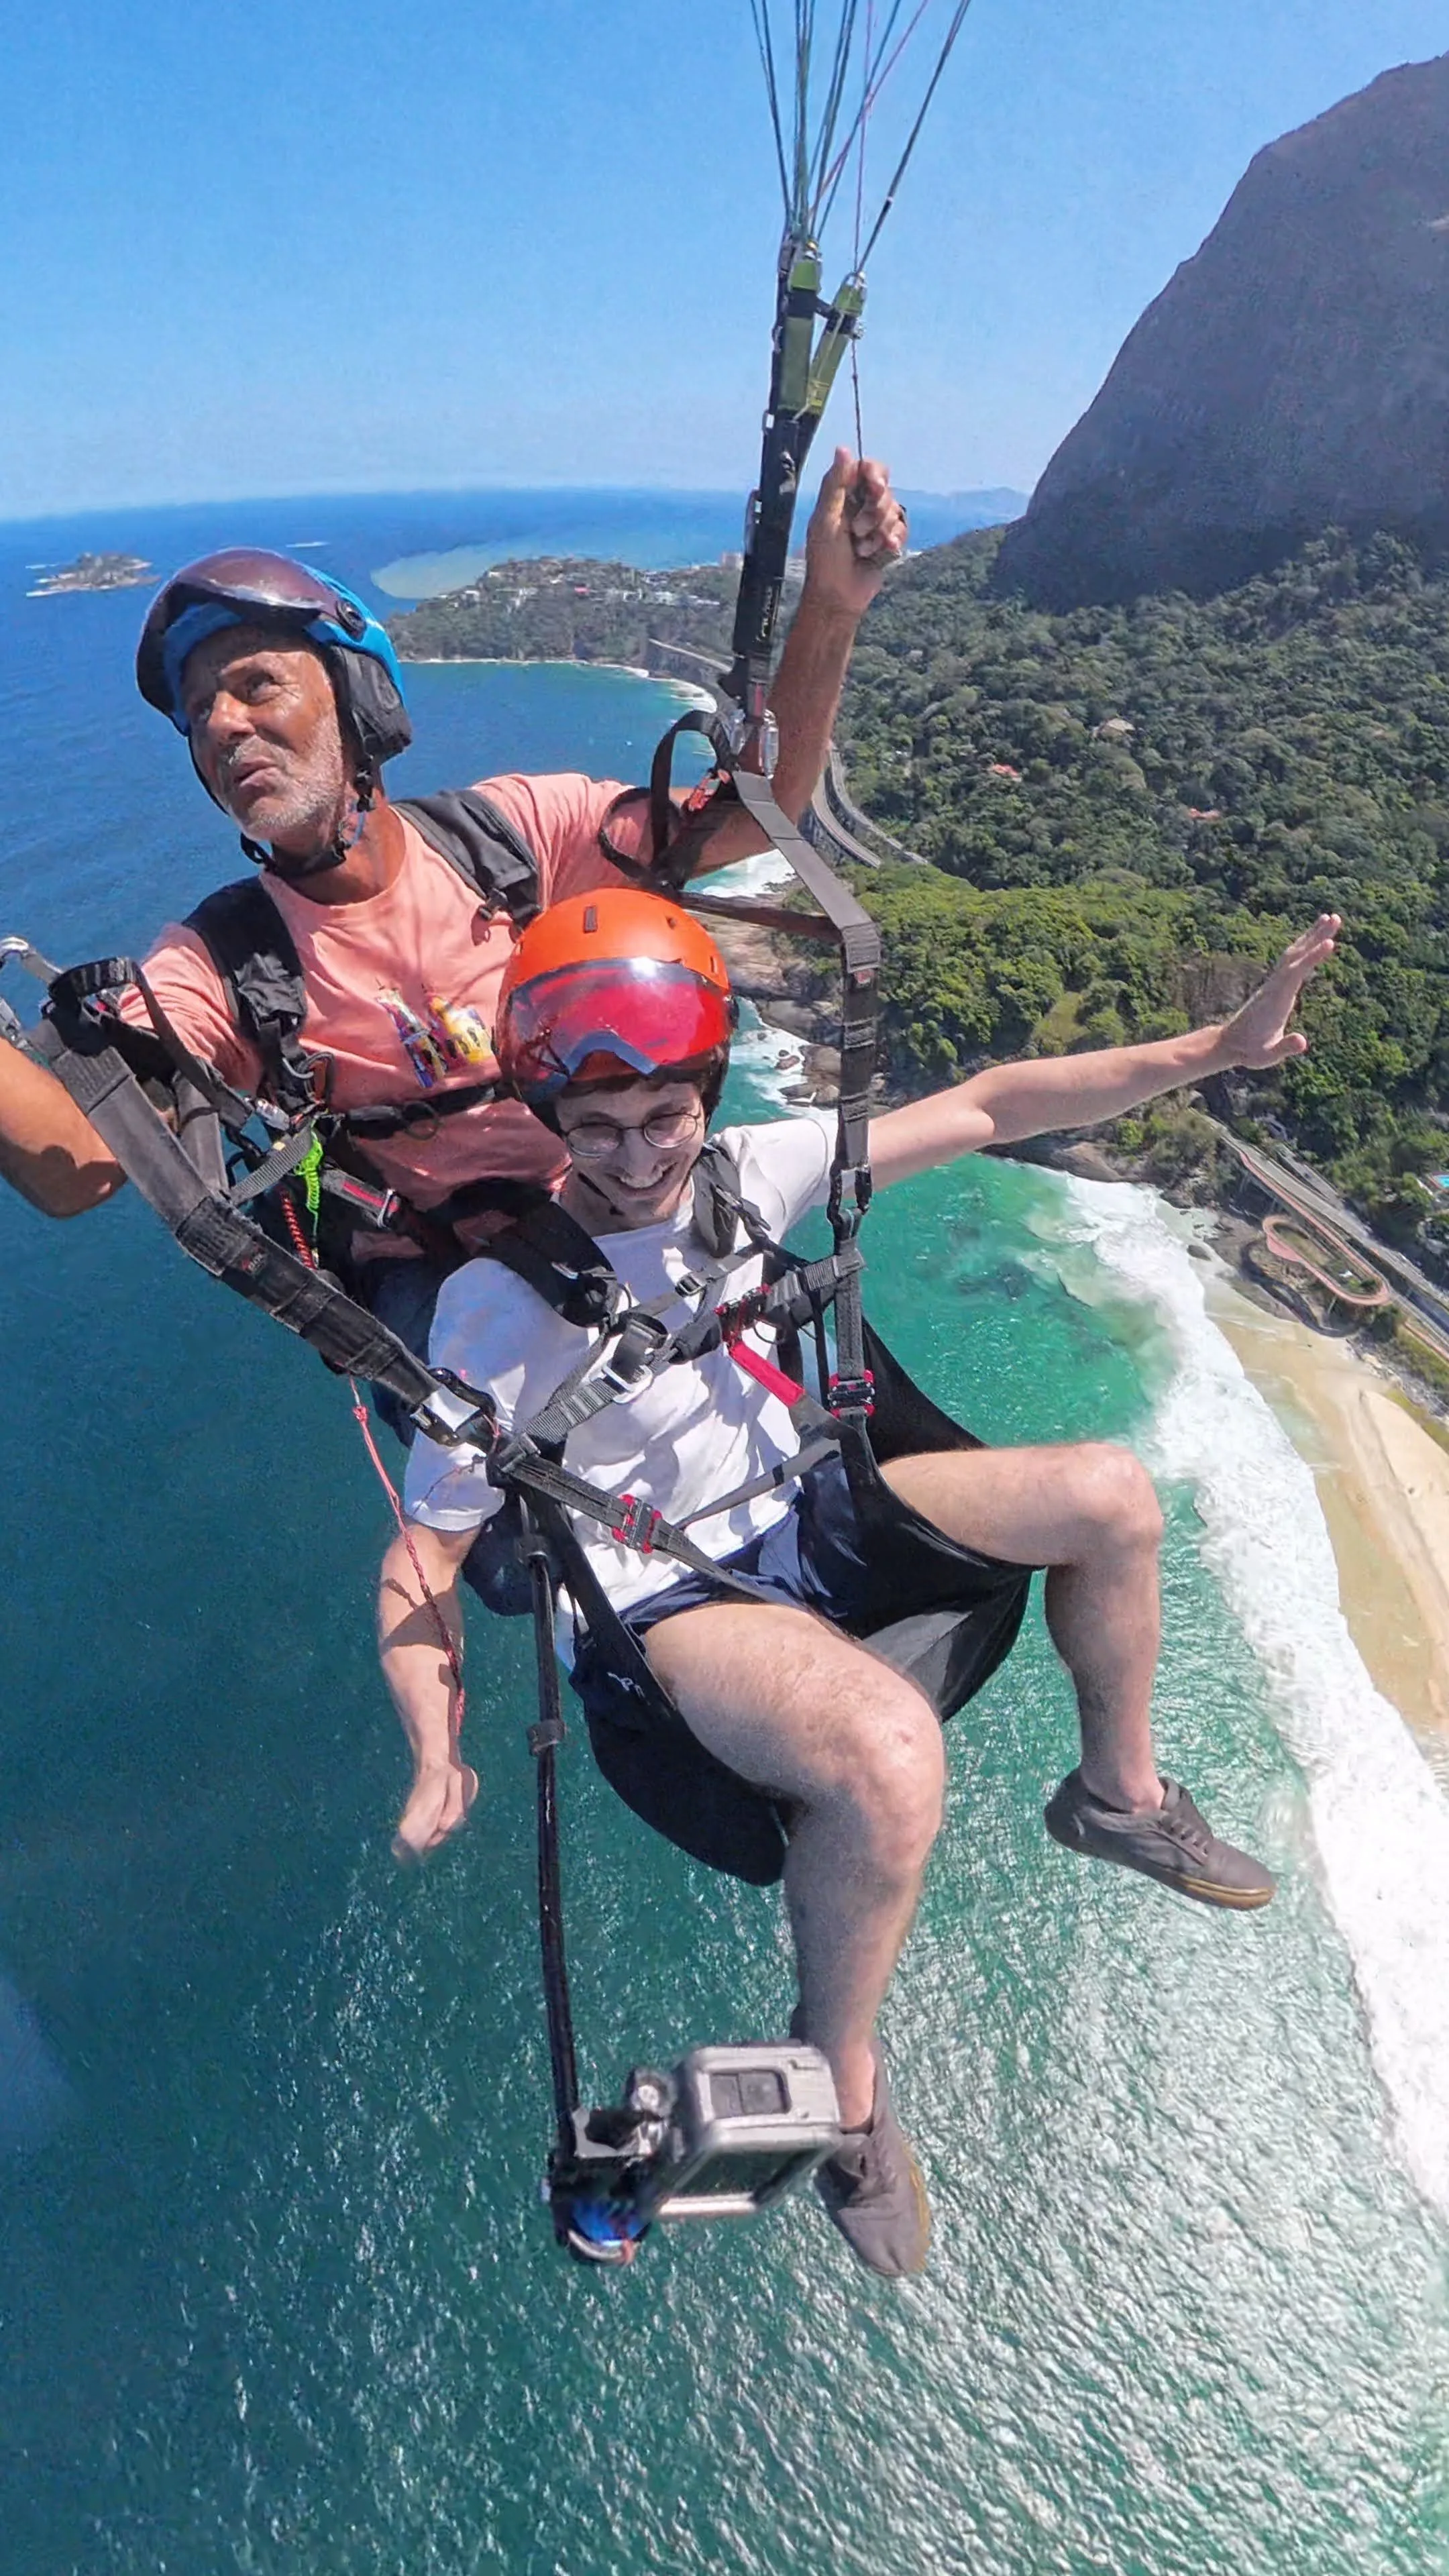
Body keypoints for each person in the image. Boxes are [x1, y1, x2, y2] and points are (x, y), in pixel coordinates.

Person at [378, 889, 1340, 2279]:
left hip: (818, 1507)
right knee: (890, 1759)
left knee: (1110, 1498)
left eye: (664, 1116)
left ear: (704, 1093)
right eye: (595, 1127)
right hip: (671, 1593)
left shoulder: (752, 1173)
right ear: (550, 1122)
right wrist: (434, 1746)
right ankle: (848, 2096)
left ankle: (1118, 1801)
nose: (637, 1157)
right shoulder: (501, 1308)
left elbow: (997, 1105)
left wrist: (1224, 1047)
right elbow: (427, 1552)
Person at [0, 450, 906, 1421]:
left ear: (357, 703)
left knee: (858, 1431)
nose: (221, 724)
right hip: (439, 1293)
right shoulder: (220, 963)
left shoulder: (513, 838)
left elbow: (753, 816)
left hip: (615, 1192)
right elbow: (82, 1167)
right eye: (199, 715)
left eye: (258, 686)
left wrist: (834, 609)